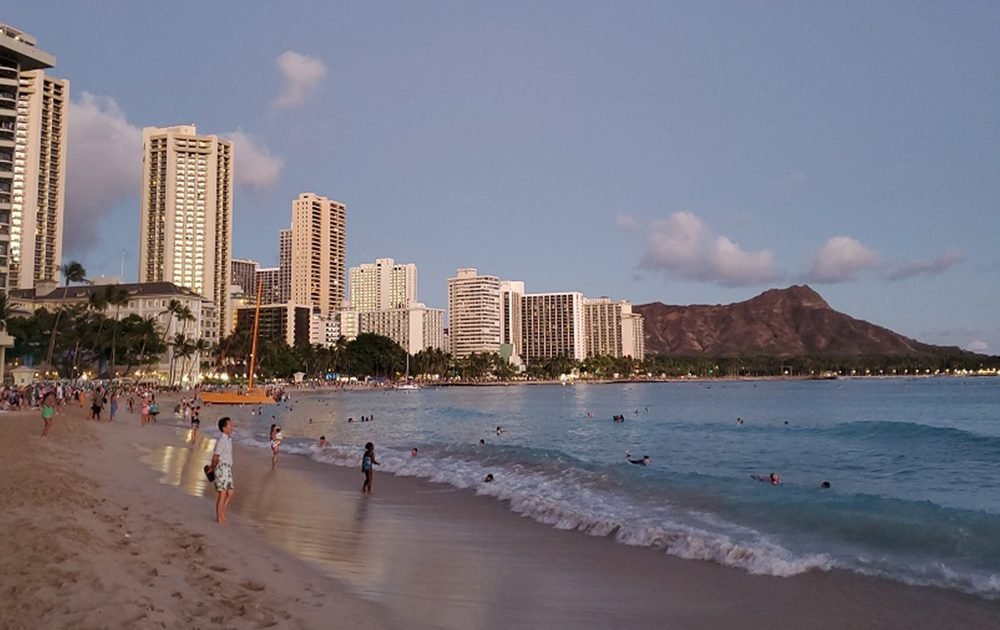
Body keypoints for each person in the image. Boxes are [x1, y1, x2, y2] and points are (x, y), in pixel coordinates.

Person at [208, 417, 235, 524]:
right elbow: (216, 456)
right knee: (222, 493)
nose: (232, 427)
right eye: (230, 425)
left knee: (230, 492)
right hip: (221, 467)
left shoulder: (229, 439)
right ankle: (219, 517)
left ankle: (222, 511)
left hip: (227, 468)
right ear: (224, 428)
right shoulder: (222, 440)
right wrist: (212, 467)